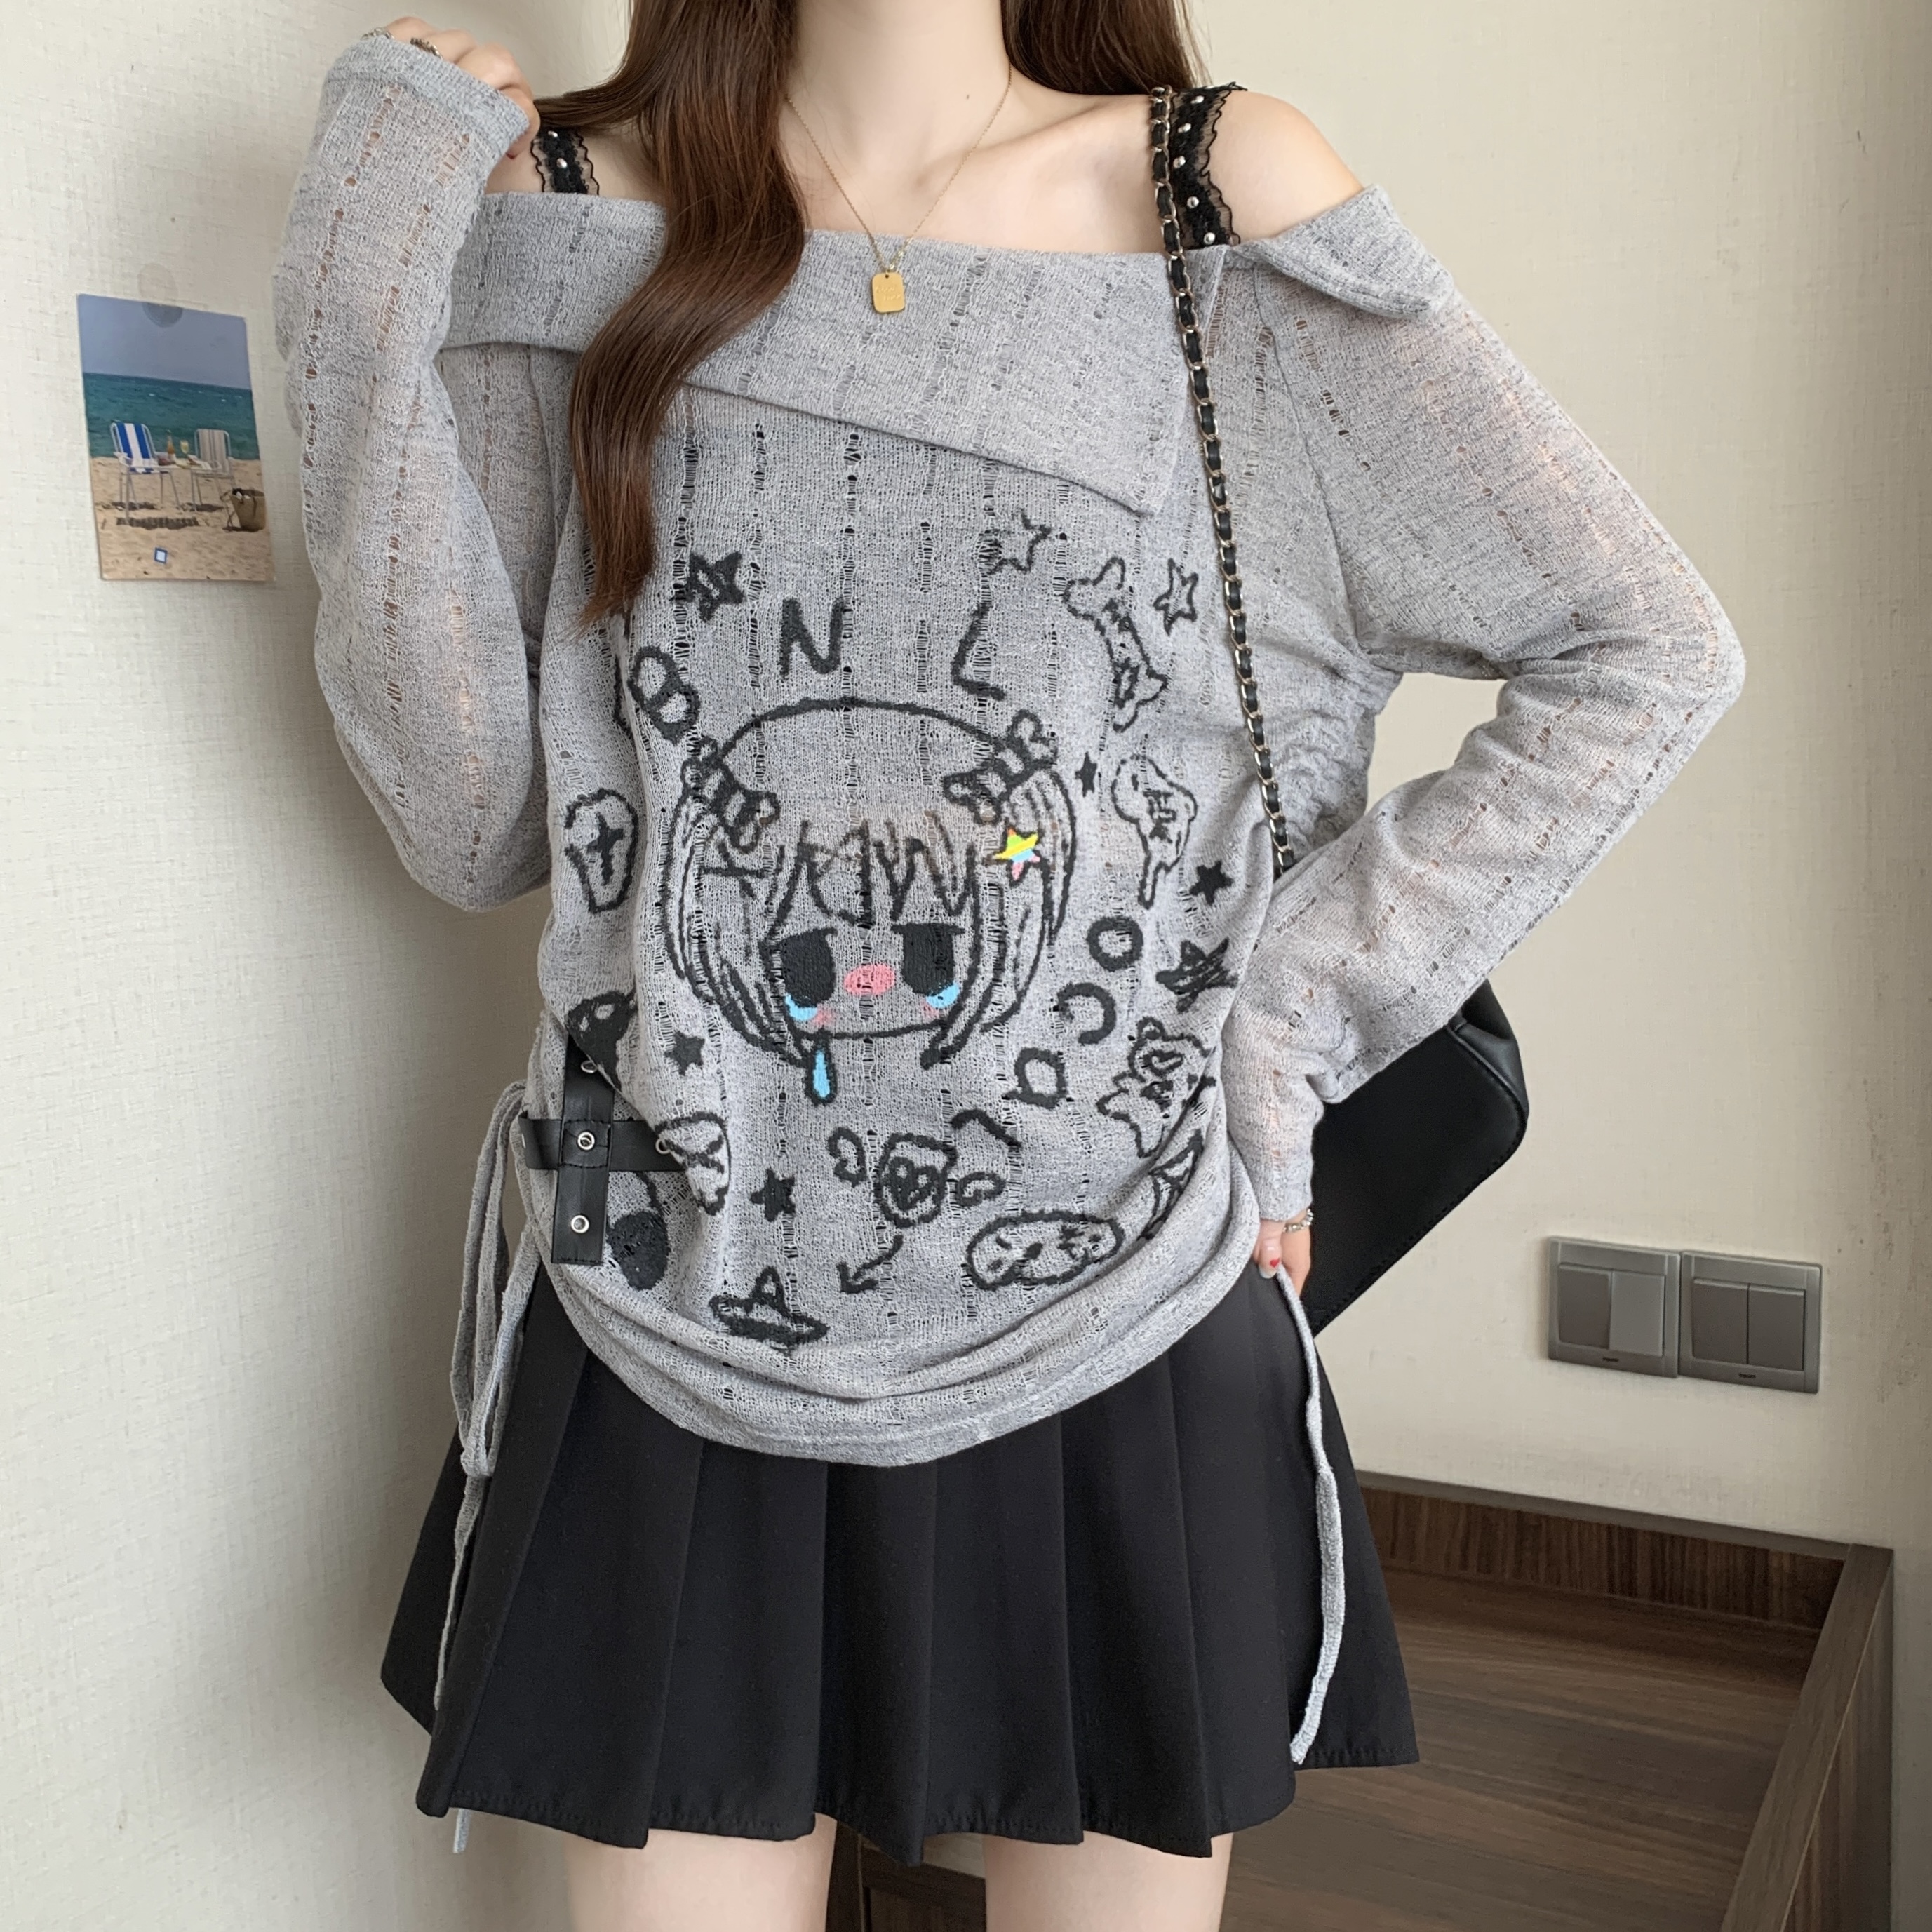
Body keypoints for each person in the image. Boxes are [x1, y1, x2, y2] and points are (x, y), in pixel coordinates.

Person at [273, 3, 1743, 1926]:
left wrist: (1285, 1020)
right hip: (669, 1290)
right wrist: (358, 267)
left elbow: (1641, 649)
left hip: (1117, 1296)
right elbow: (476, 822)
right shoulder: (560, 204)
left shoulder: (1213, 197)